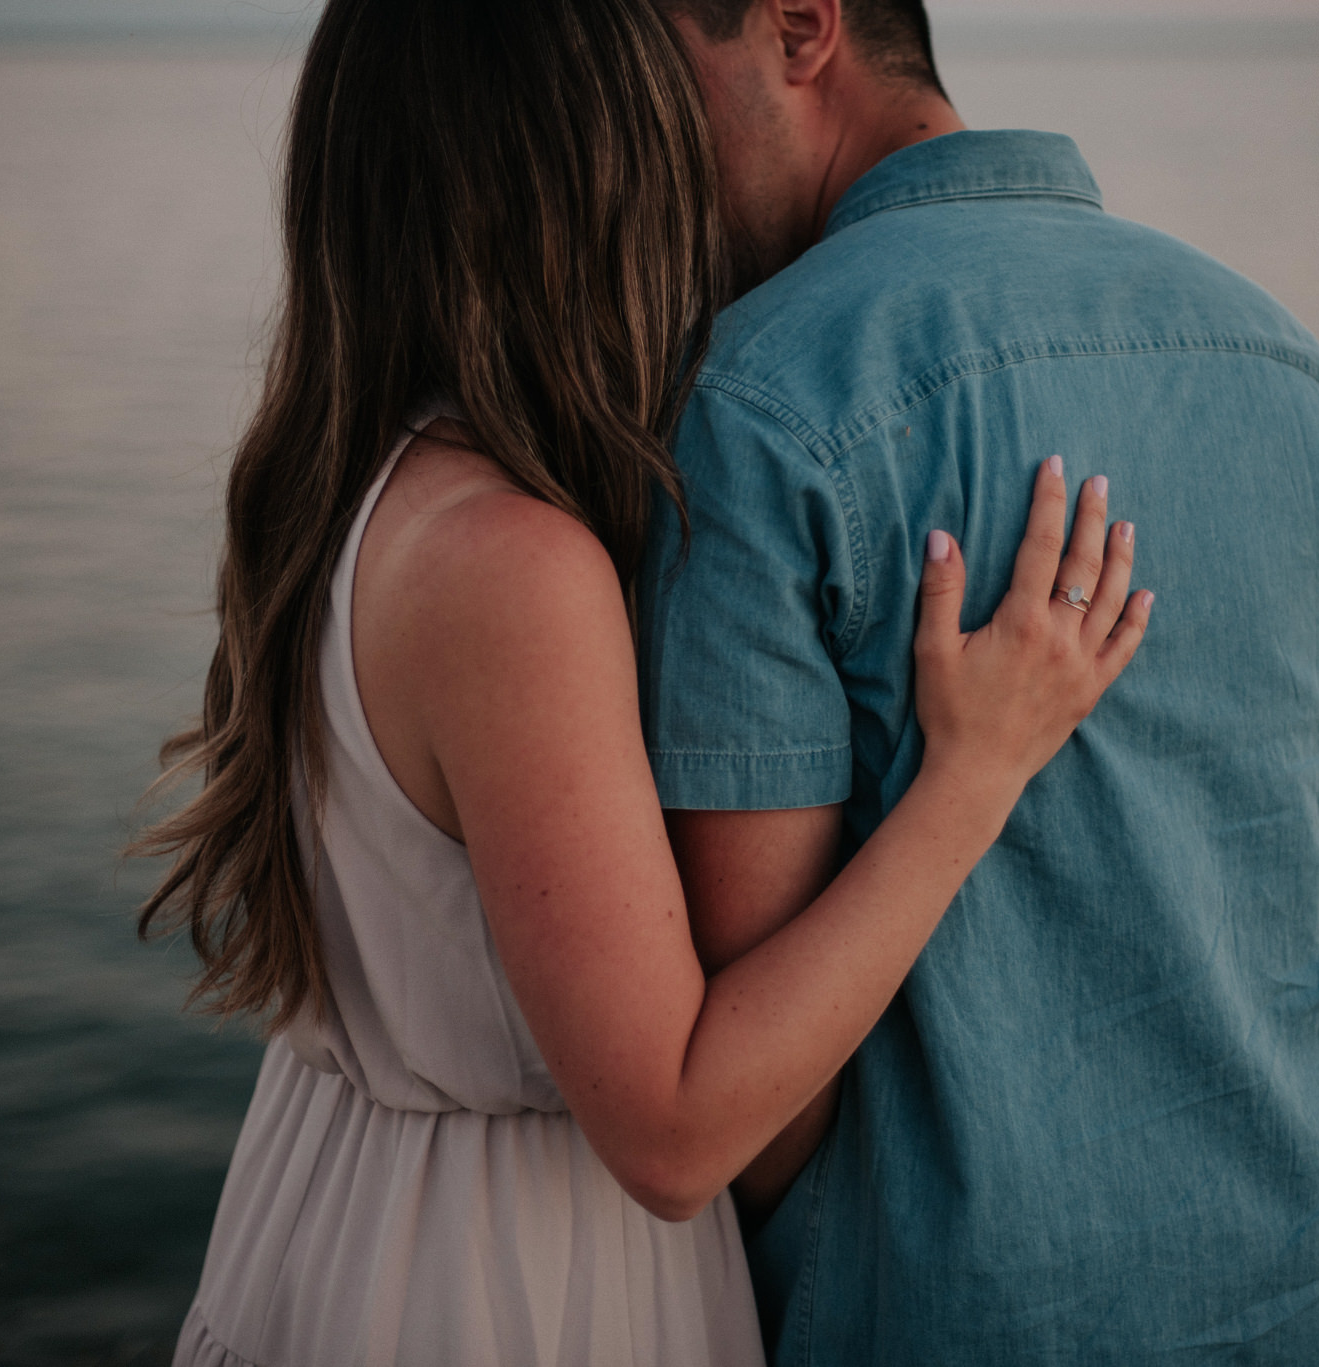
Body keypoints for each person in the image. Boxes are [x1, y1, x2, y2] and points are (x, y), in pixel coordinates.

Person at [134, 1, 1151, 1363]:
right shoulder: (511, 564)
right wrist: (976, 773)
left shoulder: (362, 492)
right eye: (649, 133)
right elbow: (673, 1125)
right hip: (511, 1284)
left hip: (344, 1205)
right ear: (577, 174)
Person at [637, 0, 1319, 1363]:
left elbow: (767, 1122)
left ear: (801, 26)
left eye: (649, 71)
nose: (627, 139)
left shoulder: (753, 408)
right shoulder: (1287, 357)